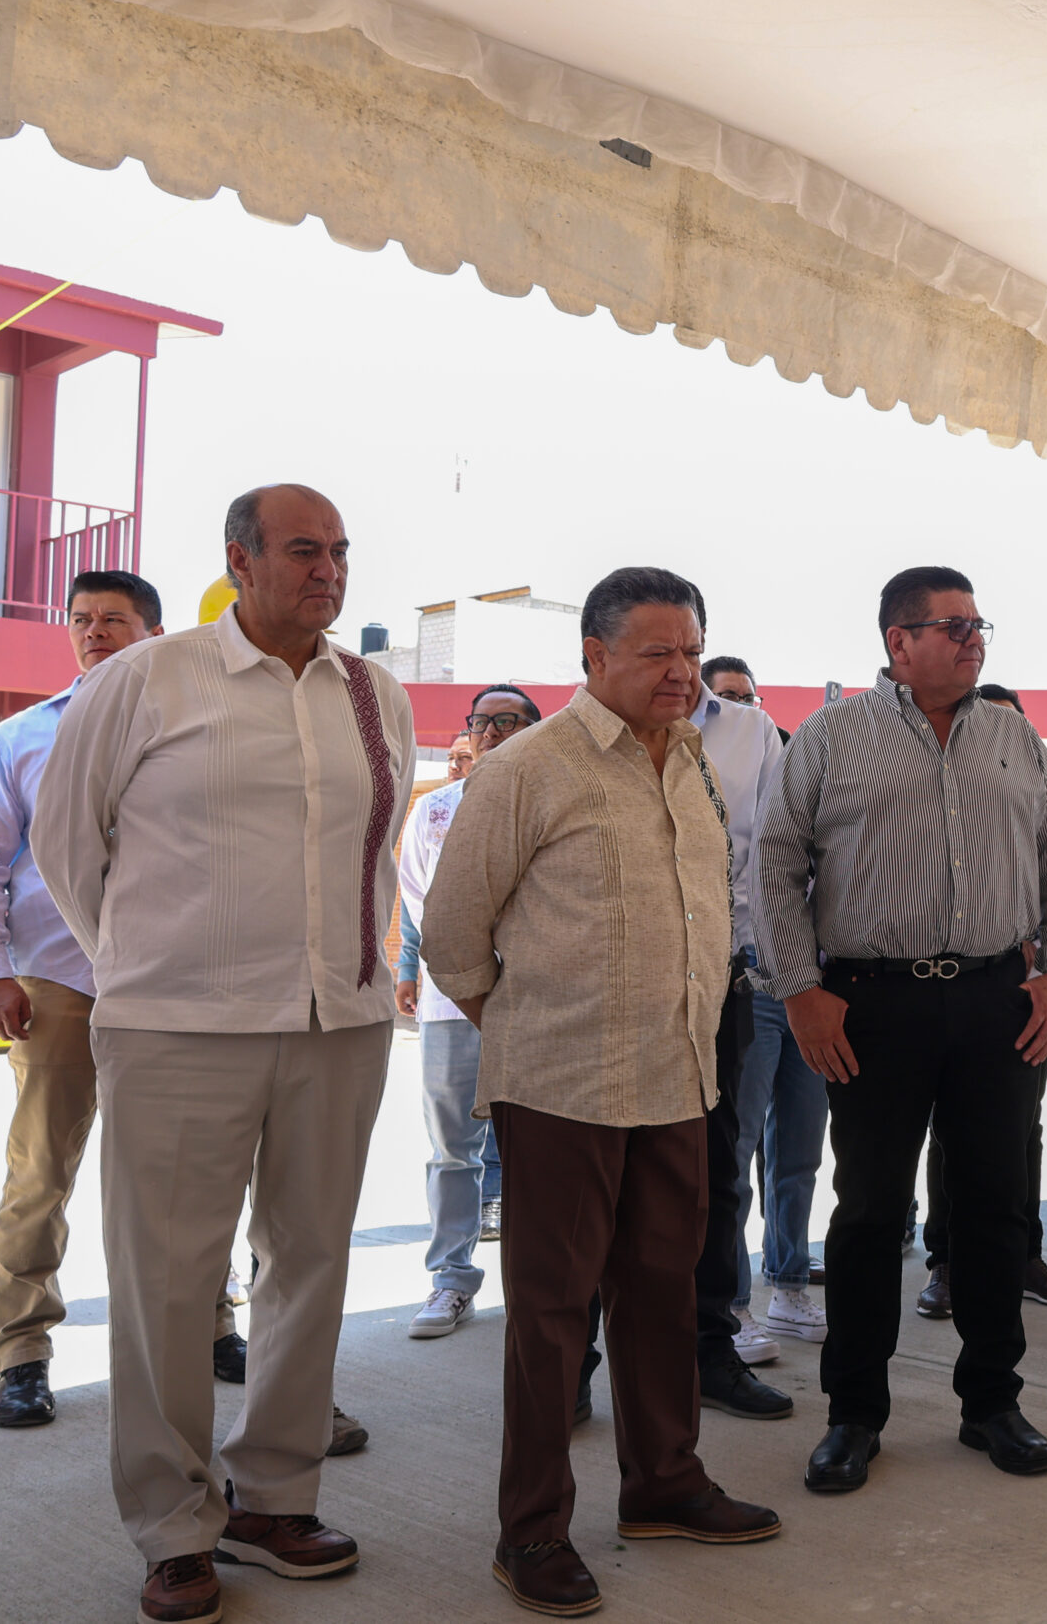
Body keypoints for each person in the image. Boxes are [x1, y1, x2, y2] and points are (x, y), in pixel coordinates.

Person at [36, 486, 415, 1624]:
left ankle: (274, 1499)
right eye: (303, 551)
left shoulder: (374, 693)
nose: (328, 570)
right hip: (176, 1029)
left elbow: (380, 850)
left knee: (310, 1263)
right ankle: (172, 1525)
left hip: (338, 1023)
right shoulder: (145, 678)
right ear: (239, 562)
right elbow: (66, 841)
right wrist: (148, 965)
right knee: (167, 1280)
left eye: (339, 551)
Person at [423, 567, 782, 1615]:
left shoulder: (694, 762)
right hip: (561, 1089)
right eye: (657, 652)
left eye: (691, 651)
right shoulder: (528, 768)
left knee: (664, 1293)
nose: (682, 673)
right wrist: (529, 1030)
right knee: (550, 1314)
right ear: (594, 656)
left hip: (677, 1077)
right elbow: (452, 936)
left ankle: (664, 1483)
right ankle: (531, 1530)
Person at [759, 566, 1047, 1494]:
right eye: (954, 625)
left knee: (995, 1205)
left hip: (996, 1000)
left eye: (979, 624)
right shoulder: (830, 737)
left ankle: (992, 1401)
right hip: (872, 1003)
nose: (974, 639)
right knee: (869, 1211)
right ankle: (854, 1413)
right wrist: (801, 988)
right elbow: (775, 863)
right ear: (898, 642)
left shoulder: (1013, 736)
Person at [0, 572, 241, 1429]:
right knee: (41, 1171)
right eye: (81, 619)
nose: (94, 631)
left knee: (190, 1172)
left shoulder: (199, 728)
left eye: (115, 619)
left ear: (155, 634)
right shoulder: (19, 738)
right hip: (58, 982)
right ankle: (20, 1352)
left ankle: (211, 1324)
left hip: (175, 982)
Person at [913, 684, 1047, 1319]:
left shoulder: (1034, 789)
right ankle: (945, 1262)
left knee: (1023, 1132)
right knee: (947, 1132)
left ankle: (1023, 1257)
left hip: (1026, 991)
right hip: (945, 988)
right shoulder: (944, 796)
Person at [393, 684, 540, 1343]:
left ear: (535, 728)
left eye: (510, 720)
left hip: (539, 1003)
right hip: (452, 1004)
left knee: (539, 1150)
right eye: (482, 721)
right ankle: (451, 1277)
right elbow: (420, 903)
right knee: (453, 1150)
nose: (493, 732)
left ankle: (538, 1289)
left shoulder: (553, 801)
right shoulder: (435, 811)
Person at [685, 665, 815, 1401]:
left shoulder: (762, 746)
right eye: (724, 694)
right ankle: (730, 1306)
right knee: (727, 1154)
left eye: (747, 695)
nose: (736, 706)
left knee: (790, 1151)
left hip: (794, 981)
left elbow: (778, 863)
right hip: (739, 981)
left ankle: (783, 1286)